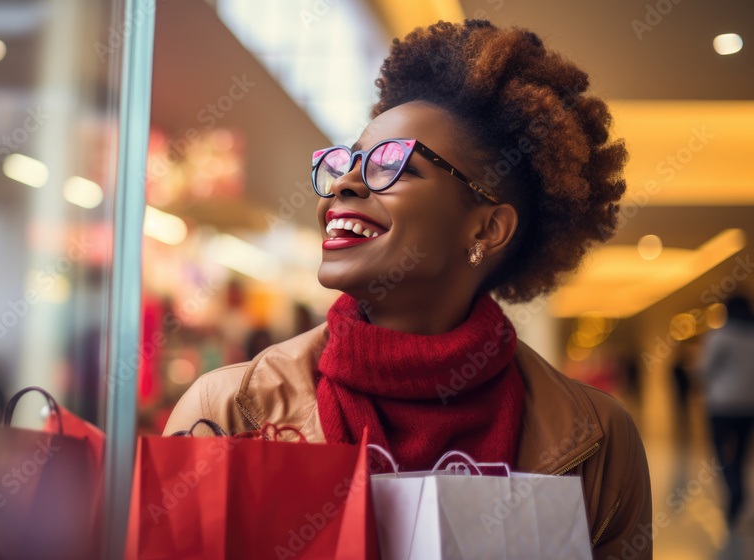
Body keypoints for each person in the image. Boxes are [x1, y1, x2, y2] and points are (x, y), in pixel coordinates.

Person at [164, 20, 651, 557]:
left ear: (487, 228)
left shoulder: (598, 441)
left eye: (392, 166)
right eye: (346, 162)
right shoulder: (227, 409)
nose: (346, 183)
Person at [701, 295, 754, 527]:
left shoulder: (720, 335)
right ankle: (738, 489)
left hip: (721, 404)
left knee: (721, 452)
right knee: (741, 453)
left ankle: (734, 490)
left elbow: (704, 369)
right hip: (748, 404)